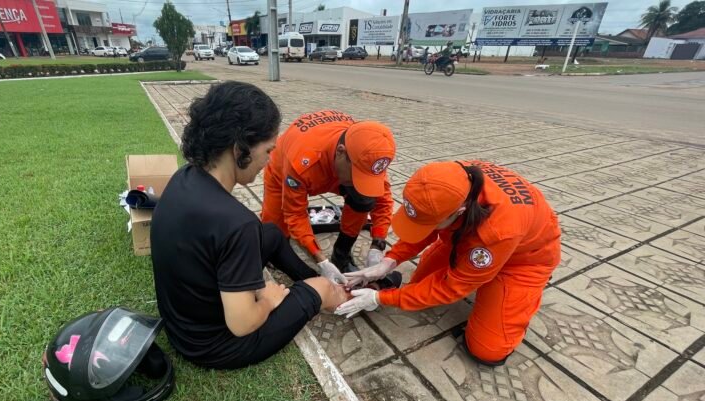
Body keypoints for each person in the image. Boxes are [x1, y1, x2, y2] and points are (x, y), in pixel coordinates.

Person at [151, 81, 345, 370]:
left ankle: (308, 276)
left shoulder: (186, 176)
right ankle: (347, 297)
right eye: (267, 150)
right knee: (323, 289)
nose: (269, 161)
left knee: (271, 232)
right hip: (216, 346)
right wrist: (267, 300)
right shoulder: (235, 223)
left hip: (182, 323)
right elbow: (241, 325)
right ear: (239, 147)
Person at [336, 161, 561, 366]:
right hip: (469, 237)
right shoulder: (450, 180)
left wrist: (380, 297)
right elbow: (424, 224)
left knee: (487, 350)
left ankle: (517, 289)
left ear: (460, 211)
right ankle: (478, 273)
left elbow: (450, 288)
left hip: (523, 261)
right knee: (419, 285)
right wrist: (389, 261)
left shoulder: (496, 232)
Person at [260, 110, 397, 284]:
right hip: (282, 170)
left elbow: (383, 201)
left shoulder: (368, 152)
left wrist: (377, 245)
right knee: (274, 229)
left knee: (364, 199)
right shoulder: (302, 162)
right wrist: (320, 260)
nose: (359, 183)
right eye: (357, 176)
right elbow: (295, 214)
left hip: (335, 168)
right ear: (341, 152)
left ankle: (341, 255)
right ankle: (278, 254)